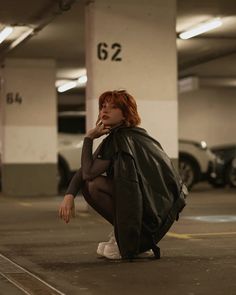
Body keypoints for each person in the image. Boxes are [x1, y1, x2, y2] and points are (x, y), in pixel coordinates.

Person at [59, 90, 187, 260]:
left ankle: (134, 239)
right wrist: (69, 195)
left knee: (93, 185)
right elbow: (86, 170)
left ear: (126, 113)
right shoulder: (130, 135)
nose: (104, 111)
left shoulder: (121, 138)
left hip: (151, 210)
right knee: (91, 184)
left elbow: (88, 173)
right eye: (103, 107)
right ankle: (126, 235)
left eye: (112, 108)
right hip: (158, 207)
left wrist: (89, 138)